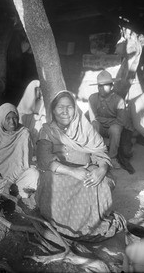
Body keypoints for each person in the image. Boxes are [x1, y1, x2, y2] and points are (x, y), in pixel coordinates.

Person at [35, 90, 126, 240]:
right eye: (60, 107)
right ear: (53, 110)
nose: (65, 111)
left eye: (69, 107)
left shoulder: (86, 128)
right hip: (59, 172)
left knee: (100, 183)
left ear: (75, 108)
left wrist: (101, 169)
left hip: (86, 170)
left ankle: (91, 224)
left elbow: (100, 152)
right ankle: (60, 224)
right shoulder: (47, 131)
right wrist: (72, 171)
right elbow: (44, 159)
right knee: (50, 181)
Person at [88, 70, 126, 169]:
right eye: (99, 86)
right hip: (100, 127)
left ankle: (112, 158)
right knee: (94, 125)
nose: (101, 88)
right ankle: (96, 157)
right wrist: (110, 121)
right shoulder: (92, 98)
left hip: (112, 129)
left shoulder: (119, 101)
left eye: (105, 85)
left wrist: (102, 120)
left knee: (115, 129)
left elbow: (121, 122)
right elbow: (93, 119)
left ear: (112, 86)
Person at [17, 80, 46, 156]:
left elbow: (43, 115)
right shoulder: (23, 106)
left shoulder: (42, 101)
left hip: (38, 127)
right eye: (38, 90)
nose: (40, 92)